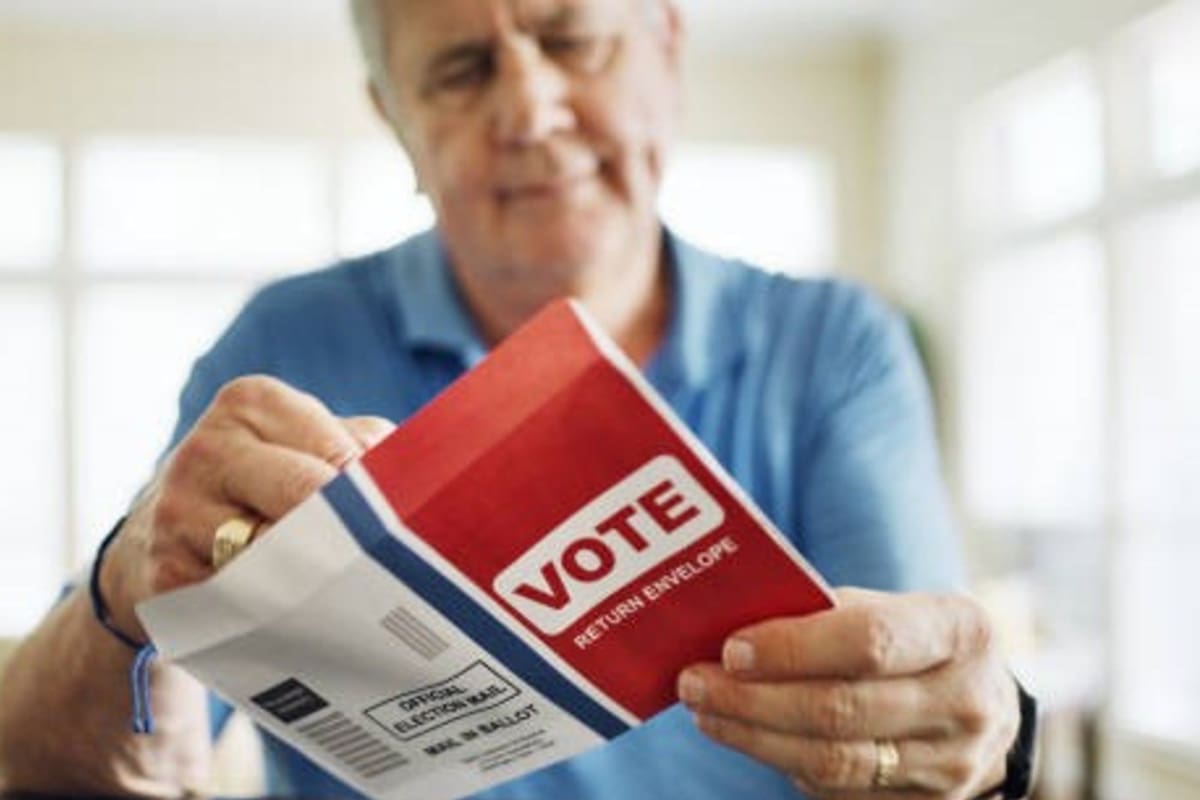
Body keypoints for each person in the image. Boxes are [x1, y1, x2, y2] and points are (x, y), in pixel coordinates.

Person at [0, 0, 1033, 797]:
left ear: (667, 49)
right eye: (462, 68)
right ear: (395, 119)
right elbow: (53, 760)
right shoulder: (282, 345)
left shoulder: (834, 346)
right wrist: (125, 592)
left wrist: (992, 736)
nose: (530, 111)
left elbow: (920, 723)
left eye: (572, 38)